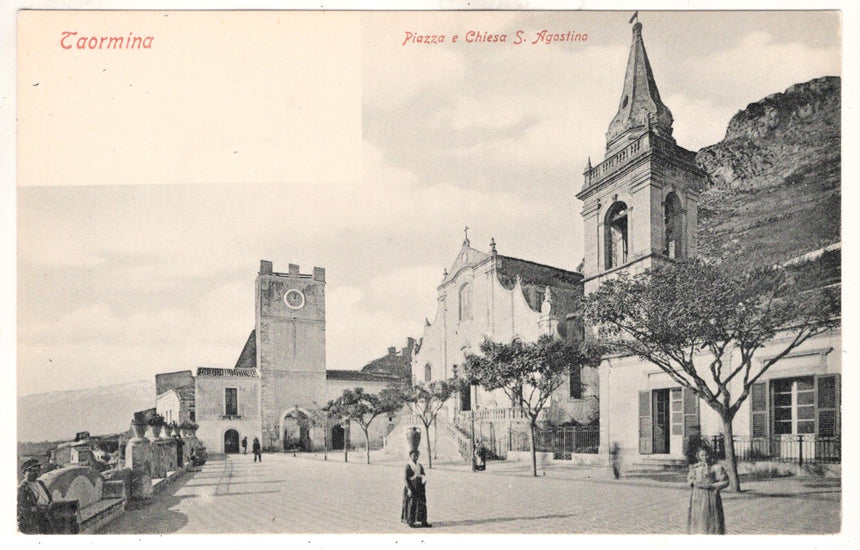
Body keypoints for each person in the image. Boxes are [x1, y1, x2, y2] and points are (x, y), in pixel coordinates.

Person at [687, 447, 729, 534]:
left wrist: (711, 485)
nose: (705, 457)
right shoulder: (695, 468)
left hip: (711, 495)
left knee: (711, 517)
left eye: (706, 455)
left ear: (710, 455)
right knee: (698, 517)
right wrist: (693, 482)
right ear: (698, 456)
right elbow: (689, 479)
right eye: (702, 455)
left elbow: (725, 482)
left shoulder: (716, 467)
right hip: (697, 495)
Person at [17, 459, 52, 534]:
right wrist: (37, 509)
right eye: (31, 470)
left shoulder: (40, 483)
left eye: (37, 470)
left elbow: (49, 497)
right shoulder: (22, 487)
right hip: (32, 520)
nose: (35, 473)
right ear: (24, 473)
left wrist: (50, 504)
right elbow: (21, 507)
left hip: (45, 516)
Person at [401, 450, 431, 528]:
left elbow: (423, 474)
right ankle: (411, 521)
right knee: (412, 504)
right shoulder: (408, 465)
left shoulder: (419, 465)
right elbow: (405, 478)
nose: (416, 457)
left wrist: (424, 478)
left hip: (420, 487)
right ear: (410, 456)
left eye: (417, 456)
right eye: (414, 456)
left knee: (422, 504)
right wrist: (409, 489)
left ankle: (423, 521)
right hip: (412, 486)